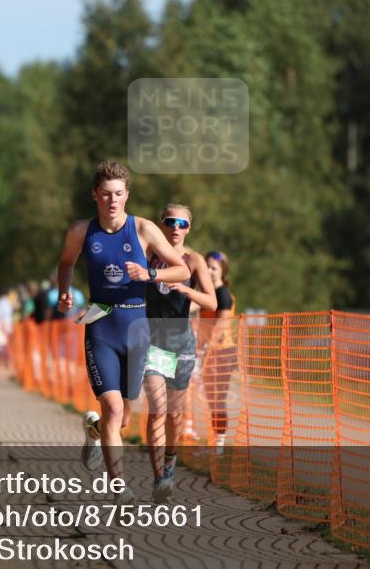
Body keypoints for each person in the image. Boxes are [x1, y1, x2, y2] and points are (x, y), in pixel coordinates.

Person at [55, 160, 189, 503]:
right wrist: (65, 291)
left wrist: (150, 276)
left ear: (127, 195)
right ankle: (120, 490)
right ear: (95, 196)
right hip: (101, 324)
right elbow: (67, 263)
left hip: (136, 328)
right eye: (105, 195)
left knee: (124, 415)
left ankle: (95, 431)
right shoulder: (81, 232)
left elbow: (180, 271)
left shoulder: (143, 229)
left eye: (118, 194)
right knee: (113, 409)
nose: (112, 201)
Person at [143, 204, 217, 502]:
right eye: (170, 221)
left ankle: (170, 462)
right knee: (157, 410)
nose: (176, 227)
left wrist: (187, 291)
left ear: (189, 228)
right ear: (161, 225)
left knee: (174, 415)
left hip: (181, 343)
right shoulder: (148, 256)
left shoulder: (194, 260)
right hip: (152, 343)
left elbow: (211, 301)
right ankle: (160, 476)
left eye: (182, 223)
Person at [200, 250, 238, 453]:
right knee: (211, 398)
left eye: (214, 268)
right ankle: (215, 441)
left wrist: (206, 349)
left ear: (223, 272)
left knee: (219, 398)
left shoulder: (223, 294)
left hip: (223, 352)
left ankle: (220, 446)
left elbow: (221, 326)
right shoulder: (207, 294)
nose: (209, 271)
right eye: (206, 266)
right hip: (209, 352)